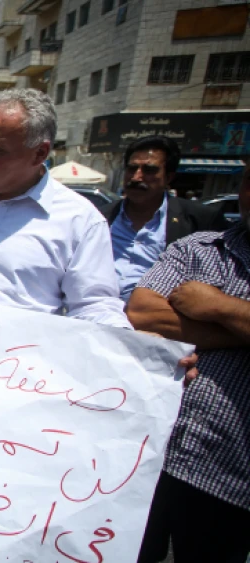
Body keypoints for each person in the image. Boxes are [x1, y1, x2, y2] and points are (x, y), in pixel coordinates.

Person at [0, 88, 196, 562]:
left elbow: (95, 307)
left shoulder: (79, 222)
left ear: (40, 154)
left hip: (13, 406)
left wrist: (142, 355)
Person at [127, 164, 250, 563]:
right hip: (148, 454)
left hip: (229, 473)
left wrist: (218, 305)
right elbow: (142, 313)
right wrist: (240, 329)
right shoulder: (198, 248)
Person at [101, 135, 228, 302]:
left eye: (149, 170)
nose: (136, 177)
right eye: (132, 168)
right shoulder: (101, 216)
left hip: (157, 319)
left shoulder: (199, 220)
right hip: (97, 315)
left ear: (169, 177)